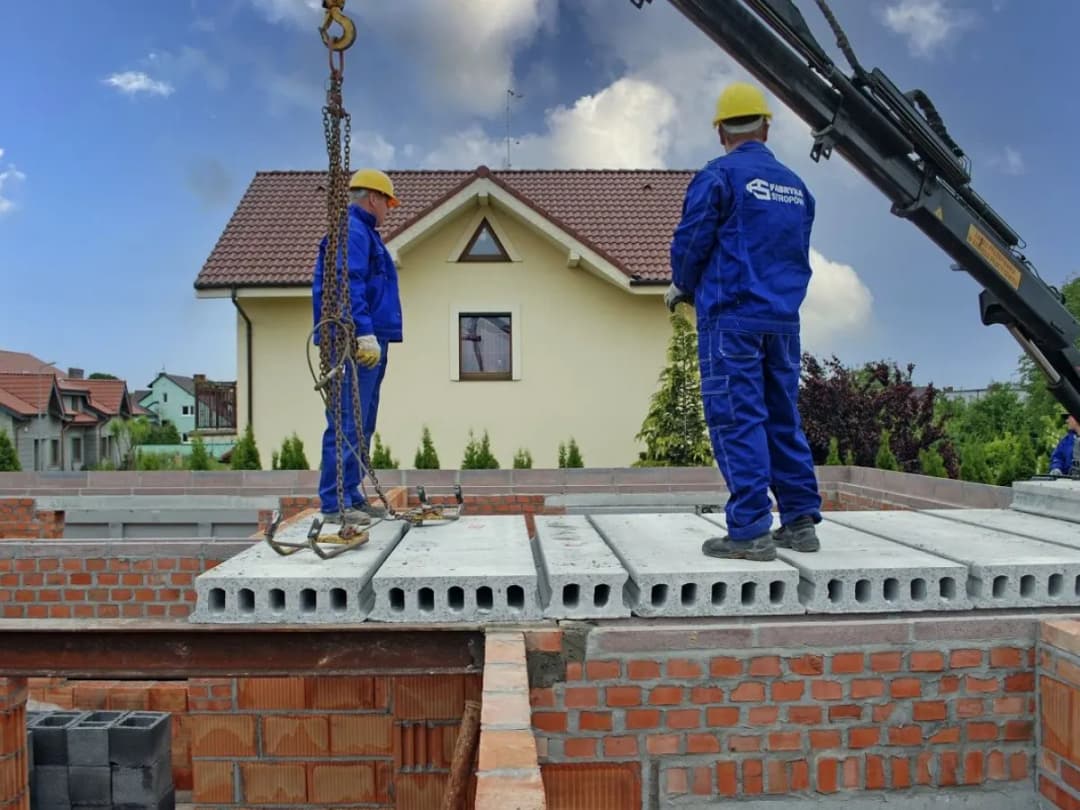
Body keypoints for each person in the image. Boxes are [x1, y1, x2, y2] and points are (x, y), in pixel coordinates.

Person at [666, 81, 822, 562]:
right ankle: (799, 522)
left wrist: (682, 285)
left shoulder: (719, 177)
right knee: (781, 417)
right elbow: (793, 253)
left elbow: (691, 242)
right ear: (766, 128)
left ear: (720, 133)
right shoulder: (797, 189)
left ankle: (751, 530)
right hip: (782, 322)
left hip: (732, 318)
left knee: (738, 420)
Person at [312, 168, 402, 525]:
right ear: (374, 198)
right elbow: (348, 282)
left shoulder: (365, 233)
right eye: (387, 203)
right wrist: (363, 332)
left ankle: (350, 493)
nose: (388, 211)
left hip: (370, 337)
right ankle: (334, 503)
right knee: (347, 420)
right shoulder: (353, 230)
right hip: (352, 340)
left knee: (363, 421)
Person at [1049, 412, 1079, 477]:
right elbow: (1058, 457)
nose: (1067, 421)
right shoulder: (1066, 440)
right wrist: (1056, 468)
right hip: (1069, 483)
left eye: (1069, 417)